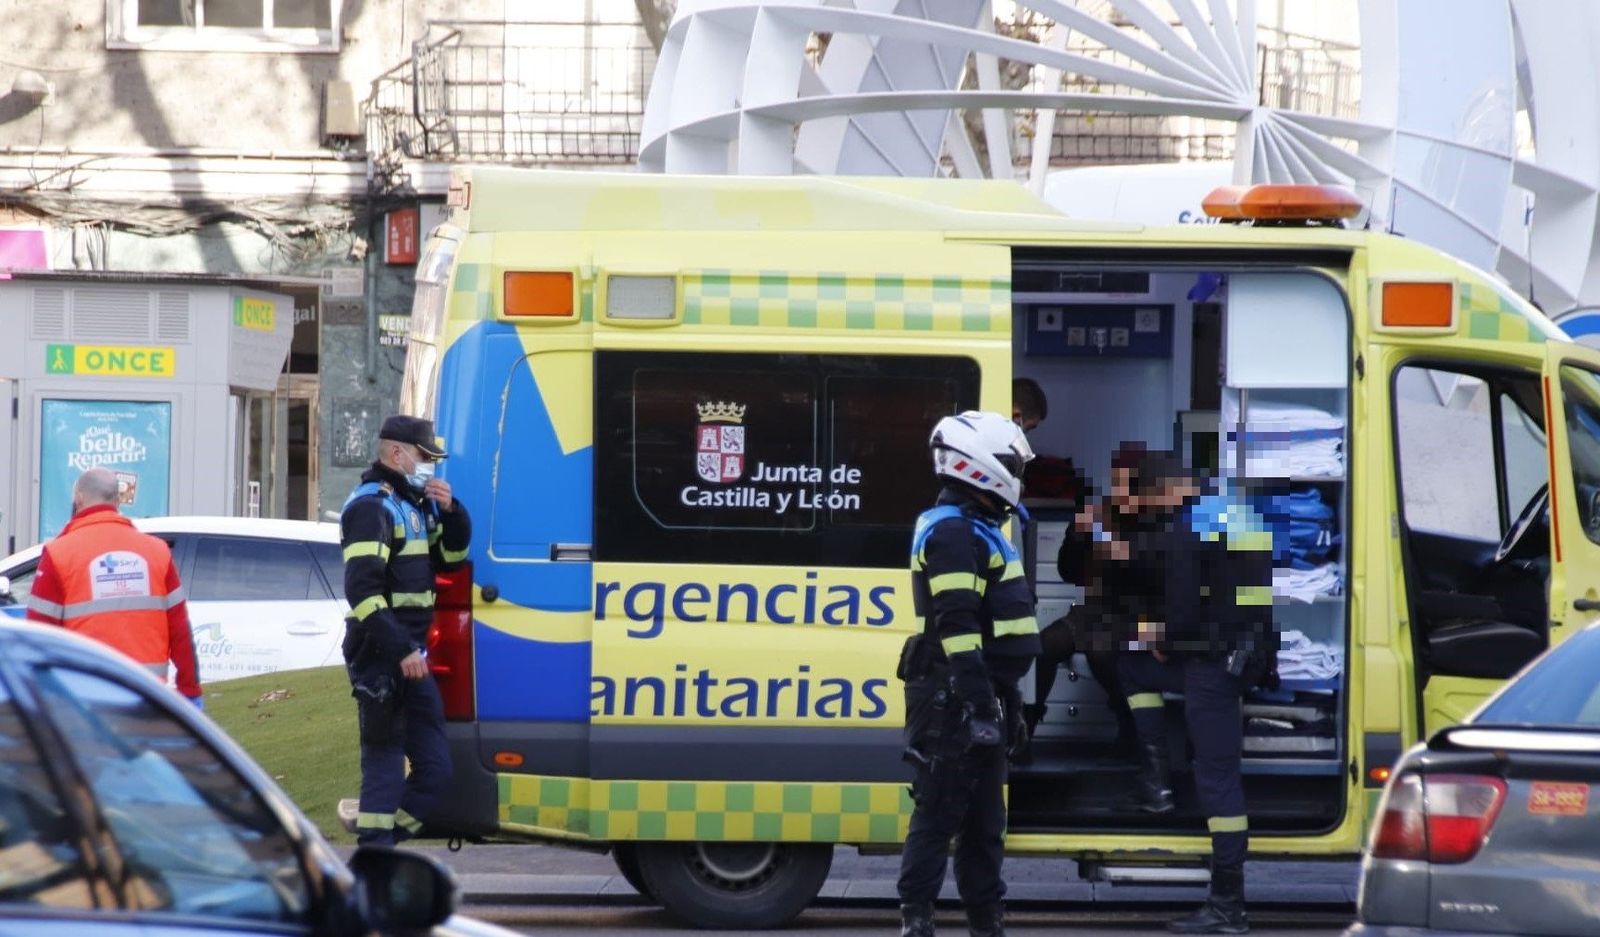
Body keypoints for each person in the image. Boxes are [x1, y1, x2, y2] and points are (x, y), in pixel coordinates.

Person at [1117, 455, 1275, 935]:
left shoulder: (1186, 528)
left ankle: (1228, 904)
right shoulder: (1239, 513)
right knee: (1134, 668)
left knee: (1217, 778)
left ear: (1165, 492)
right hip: (1245, 657)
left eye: (1149, 502)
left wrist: (1162, 639)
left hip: (1212, 666)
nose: (1151, 512)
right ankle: (1157, 780)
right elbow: (1250, 597)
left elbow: (1183, 615)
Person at [897, 411, 1040, 937]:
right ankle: (917, 923)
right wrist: (980, 704)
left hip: (979, 695)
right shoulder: (953, 532)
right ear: (978, 466)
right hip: (953, 698)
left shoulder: (977, 527)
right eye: (1008, 463)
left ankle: (987, 923)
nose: (1014, 473)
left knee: (985, 826)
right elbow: (957, 627)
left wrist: (1008, 704)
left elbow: (994, 632)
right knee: (938, 816)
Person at [339, 415, 471, 846]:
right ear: (396, 454)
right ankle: (374, 862)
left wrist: (452, 512)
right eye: (422, 456)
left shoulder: (411, 505)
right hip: (382, 655)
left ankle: (385, 845)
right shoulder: (371, 507)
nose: (428, 465)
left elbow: (450, 559)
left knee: (436, 770)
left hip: (412, 655)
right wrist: (401, 651)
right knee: (384, 761)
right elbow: (362, 593)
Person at [25, 467, 202, 705]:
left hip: (87, 701)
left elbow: (39, 637)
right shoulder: (157, 551)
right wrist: (190, 690)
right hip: (148, 697)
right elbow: (180, 630)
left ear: (78, 498)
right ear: (117, 500)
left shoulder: (59, 554)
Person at [1024, 443, 1149, 760]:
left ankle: (1130, 726)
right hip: (1092, 612)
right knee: (1043, 646)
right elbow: (1069, 572)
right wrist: (1077, 538)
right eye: (1119, 480)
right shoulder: (1099, 515)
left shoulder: (1158, 520)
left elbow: (1153, 577)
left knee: (1101, 651)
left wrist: (1117, 548)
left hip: (1135, 615)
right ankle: (1023, 731)